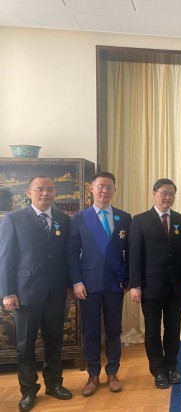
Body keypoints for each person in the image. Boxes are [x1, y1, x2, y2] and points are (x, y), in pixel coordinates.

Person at [0, 176, 72, 411]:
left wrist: (69, 285)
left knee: (55, 341)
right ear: (29, 192)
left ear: (55, 193)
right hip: (25, 294)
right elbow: (6, 258)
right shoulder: (13, 219)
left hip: (56, 292)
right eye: (40, 189)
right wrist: (8, 292)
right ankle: (28, 390)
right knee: (25, 344)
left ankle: (54, 383)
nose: (45, 193)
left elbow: (66, 256)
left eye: (50, 189)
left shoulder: (63, 219)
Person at [67, 172, 132, 396]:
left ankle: (113, 372)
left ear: (115, 190)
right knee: (91, 331)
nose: (105, 190)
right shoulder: (79, 218)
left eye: (109, 187)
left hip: (115, 283)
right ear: (91, 189)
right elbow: (72, 253)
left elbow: (130, 251)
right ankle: (93, 375)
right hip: (88, 284)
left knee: (114, 329)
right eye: (101, 186)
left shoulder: (124, 218)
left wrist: (128, 279)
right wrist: (76, 281)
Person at [128, 179, 181, 389]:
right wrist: (135, 285)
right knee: (153, 331)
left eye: (172, 194)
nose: (168, 197)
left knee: (173, 329)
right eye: (164, 193)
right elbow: (134, 255)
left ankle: (172, 367)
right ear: (154, 194)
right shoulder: (140, 220)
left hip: (176, 285)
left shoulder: (180, 220)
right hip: (150, 286)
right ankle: (158, 370)